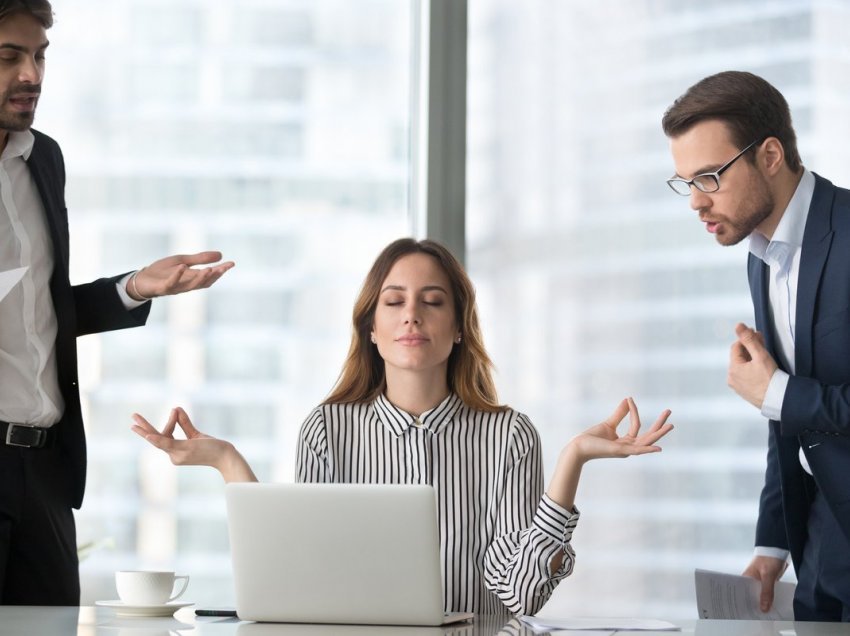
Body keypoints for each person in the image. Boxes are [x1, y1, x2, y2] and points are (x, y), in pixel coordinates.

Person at [133, 237, 673, 616]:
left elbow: (520, 593)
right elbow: (301, 573)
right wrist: (228, 461)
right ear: (372, 327)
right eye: (394, 302)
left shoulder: (509, 436)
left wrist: (572, 459)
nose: (412, 315)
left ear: (458, 328)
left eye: (432, 302)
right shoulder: (327, 429)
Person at [0, 0, 234, 605]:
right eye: (9, 57)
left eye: (39, 55)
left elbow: (35, 309)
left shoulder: (42, 160)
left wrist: (133, 289)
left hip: (45, 475)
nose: (32, 75)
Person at [662, 70, 850, 622]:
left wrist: (780, 395)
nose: (696, 202)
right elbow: (784, 416)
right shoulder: (760, 256)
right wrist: (773, 546)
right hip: (820, 550)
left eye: (709, 177)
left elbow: (782, 397)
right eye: (684, 183)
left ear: (770, 154)